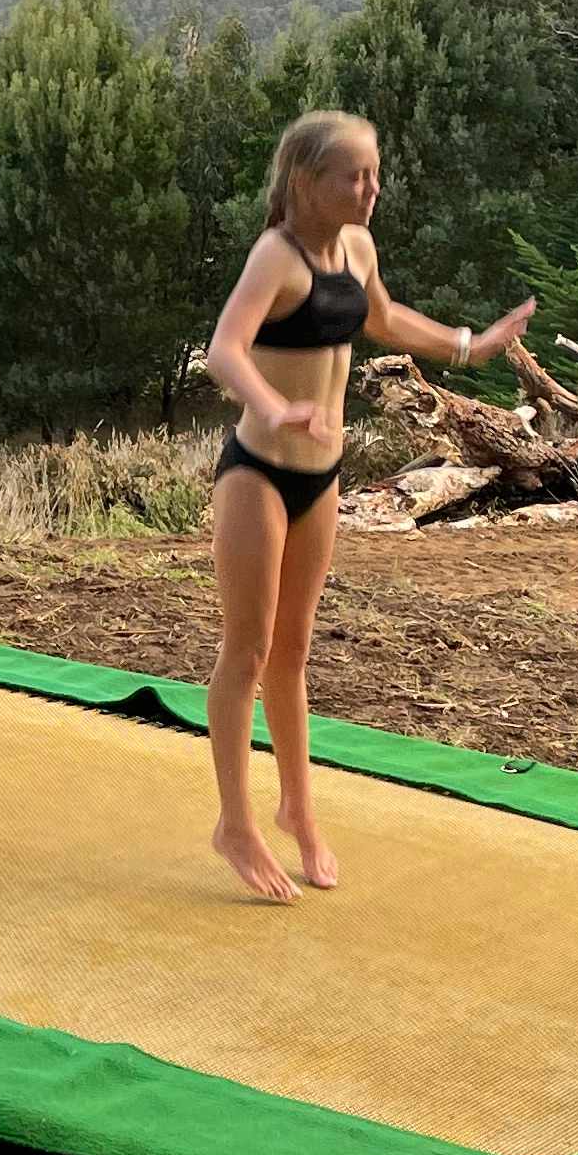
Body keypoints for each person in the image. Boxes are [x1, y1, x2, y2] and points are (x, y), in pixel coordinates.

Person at [201, 108, 535, 899]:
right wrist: (272, 406)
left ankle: (298, 809)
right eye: (356, 176)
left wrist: (472, 345)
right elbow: (225, 348)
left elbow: (382, 320)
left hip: (322, 478)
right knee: (247, 652)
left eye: (375, 174)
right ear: (305, 181)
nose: (372, 188)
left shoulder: (356, 247)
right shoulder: (275, 257)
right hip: (258, 473)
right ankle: (235, 824)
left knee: (293, 652)